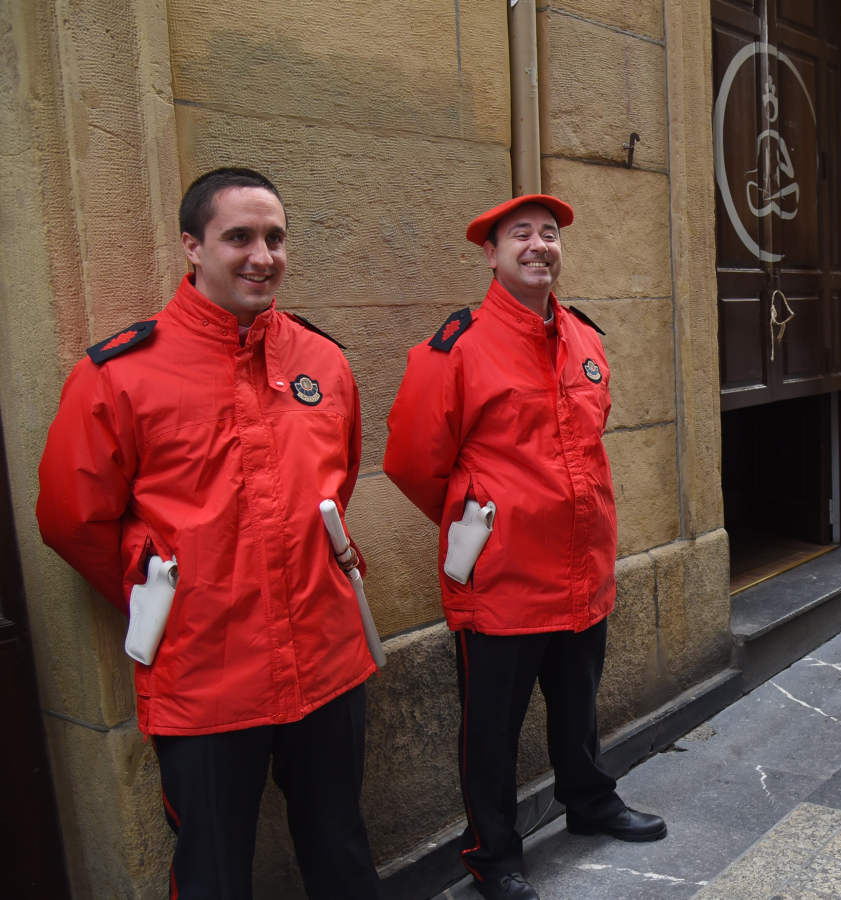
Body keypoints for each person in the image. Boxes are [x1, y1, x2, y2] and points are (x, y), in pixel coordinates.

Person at [35, 168, 381, 898]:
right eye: (239, 237)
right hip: (206, 676)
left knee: (342, 852)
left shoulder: (323, 362)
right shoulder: (121, 375)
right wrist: (166, 580)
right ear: (192, 246)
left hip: (325, 659)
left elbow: (335, 484)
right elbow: (71, 517)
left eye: (276, 238)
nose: (263, 255)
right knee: (213, 873)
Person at [384, 194, 665, 900]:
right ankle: (493, 853)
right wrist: (488, 524)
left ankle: (590, 802)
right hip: (502, 581)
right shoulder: (453, 350)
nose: (538, 246)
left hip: (582, 570)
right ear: (491, 253)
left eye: (548, 234)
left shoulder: (585, 339)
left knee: (577, 708)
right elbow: (415, 464)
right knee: (492, 734)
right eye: (520, 236)